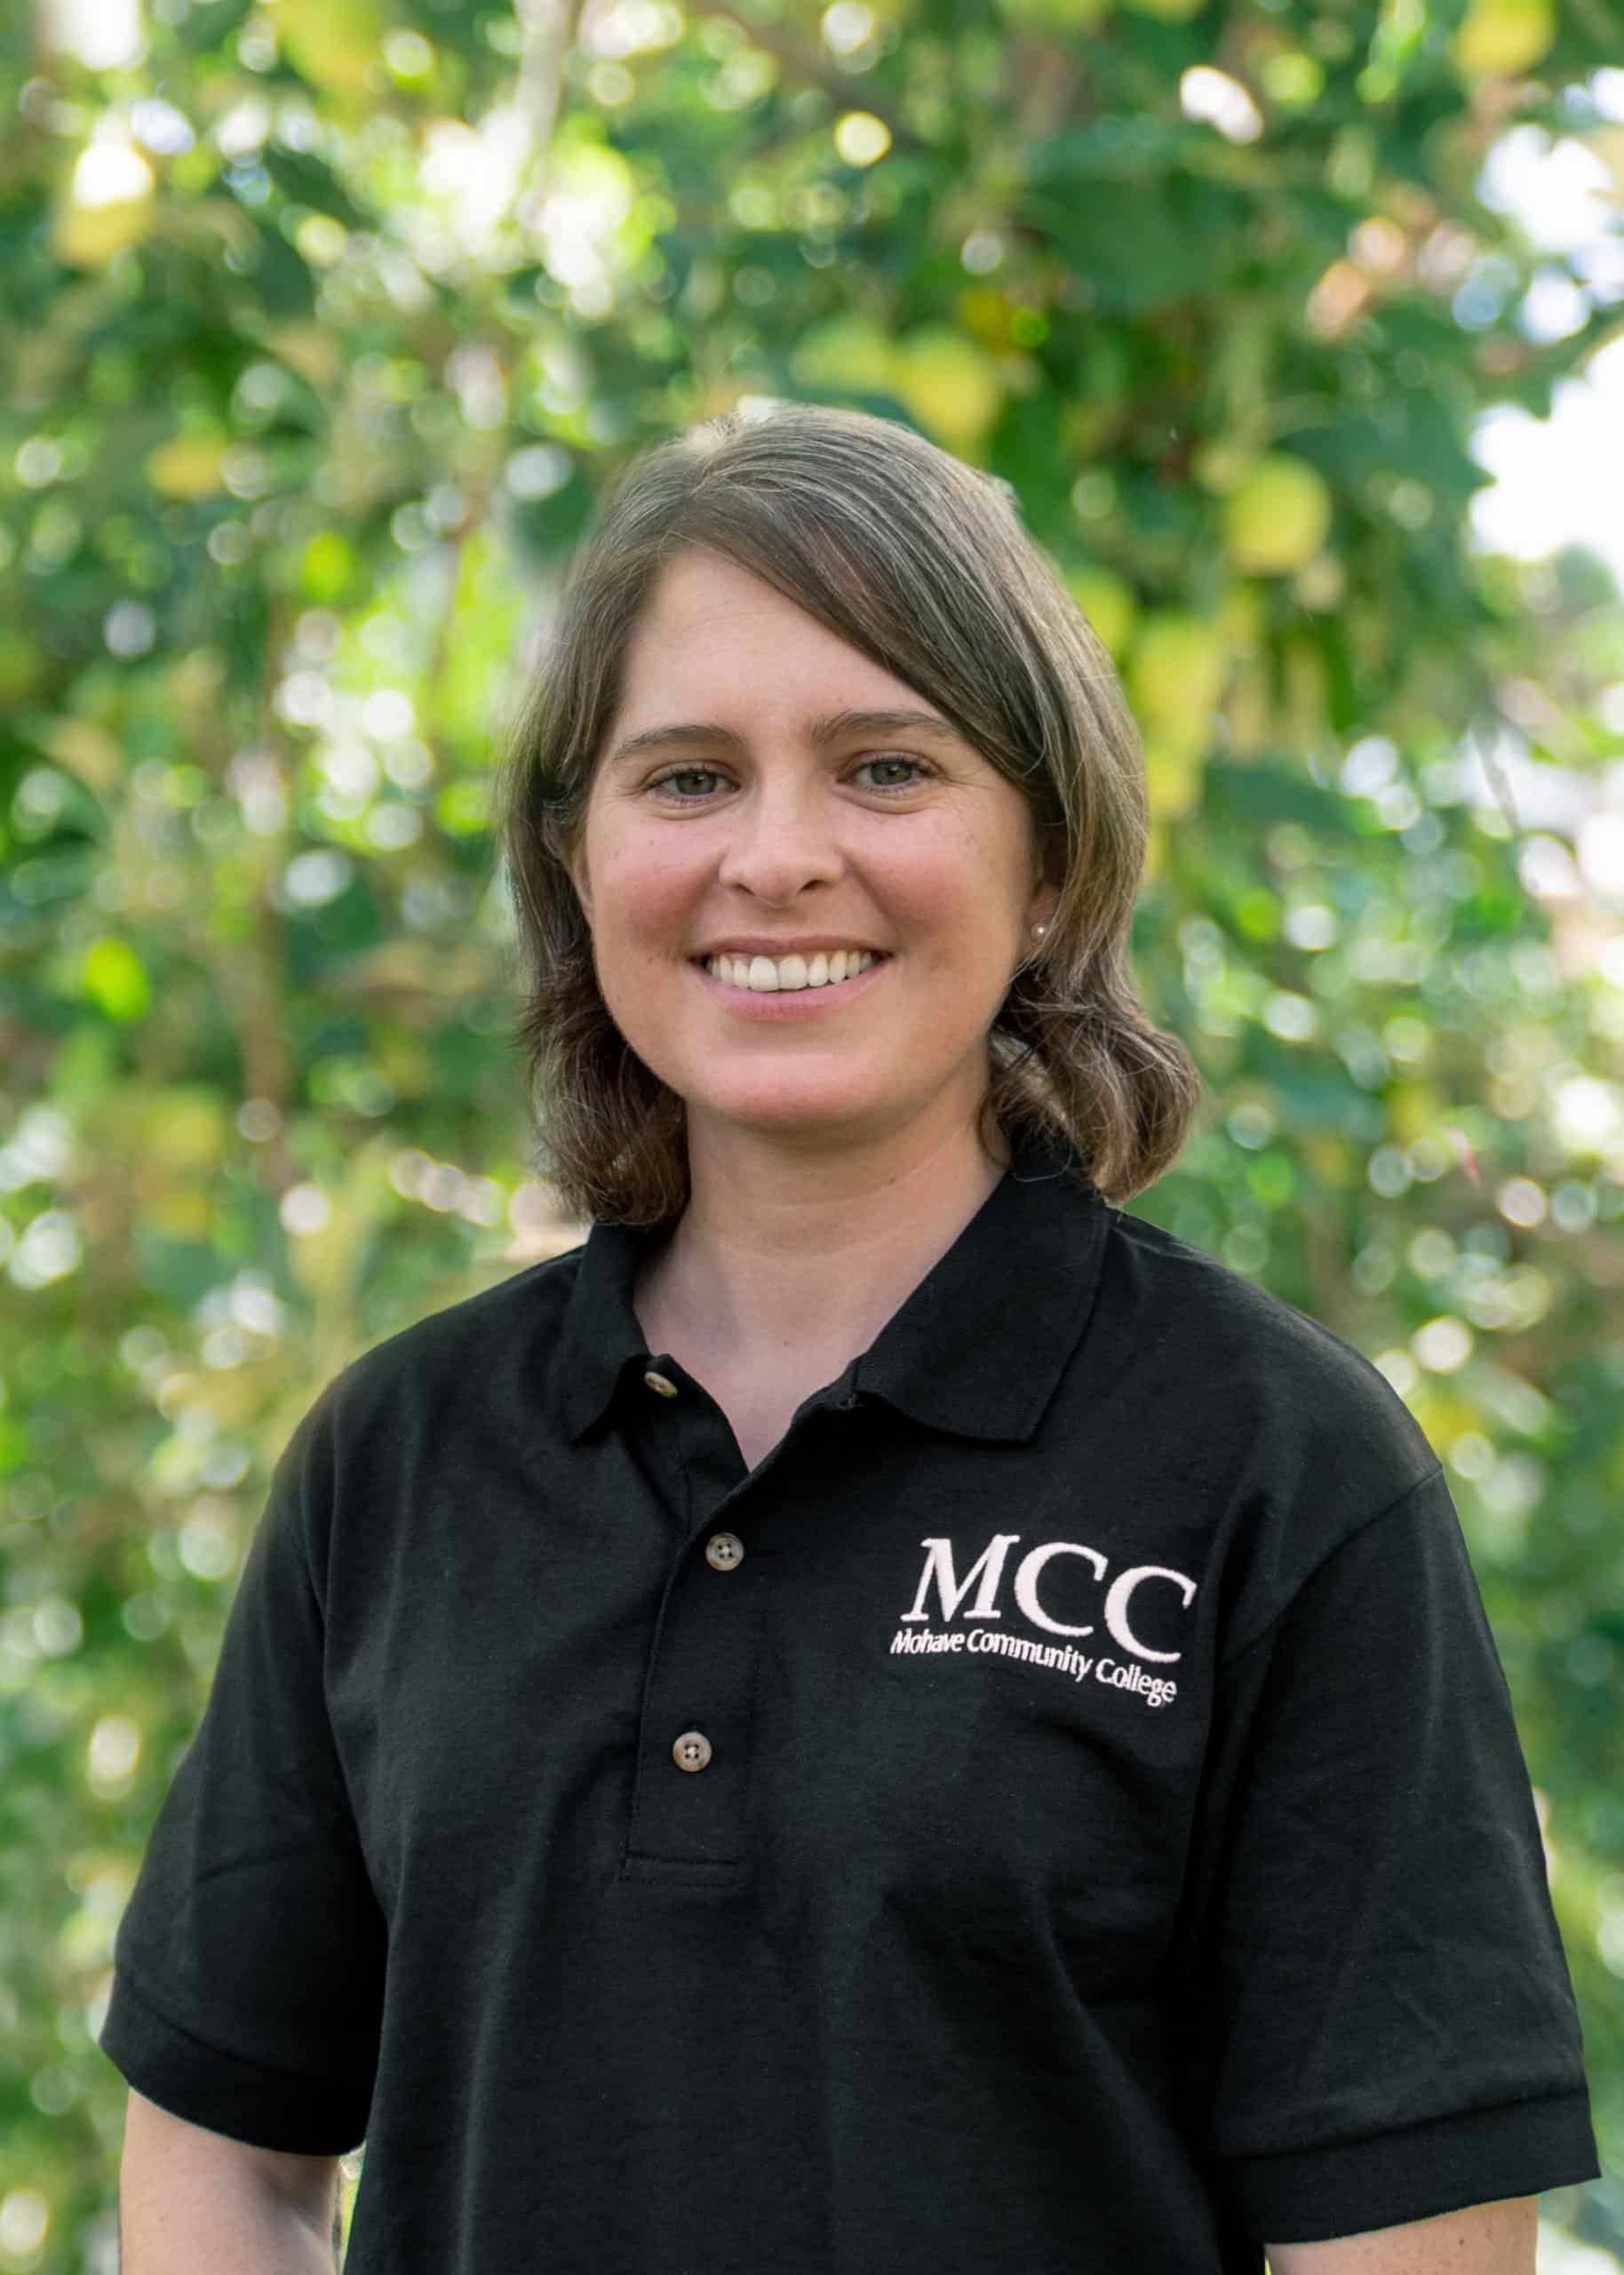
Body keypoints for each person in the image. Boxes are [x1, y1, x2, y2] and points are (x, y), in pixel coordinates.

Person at [103, 401, 1599, 2273]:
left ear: (1046, 859)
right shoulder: (397, 1458)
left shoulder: (1272, 1465)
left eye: (885, 766)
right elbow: (220, 2157)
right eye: (684, 776)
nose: (778, 855)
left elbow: (1408, 2238)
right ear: (578, 859)